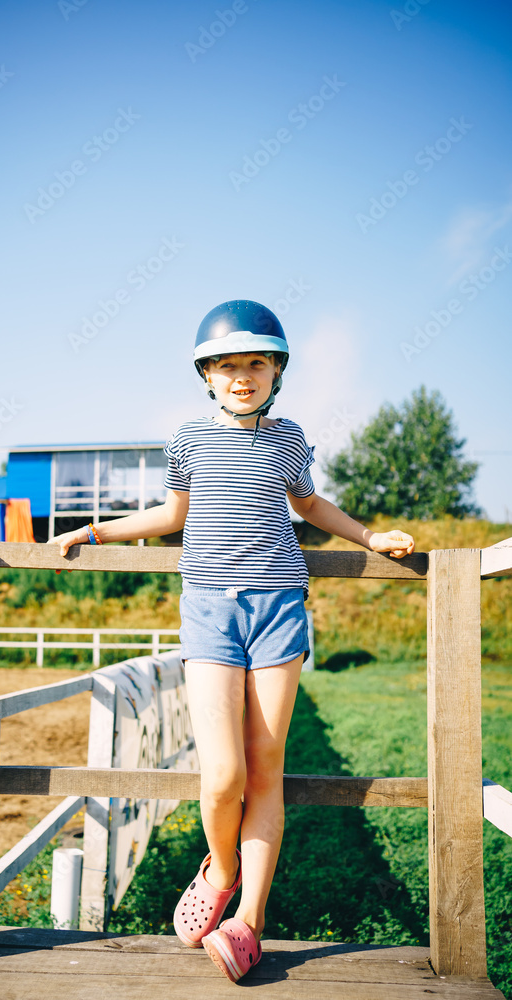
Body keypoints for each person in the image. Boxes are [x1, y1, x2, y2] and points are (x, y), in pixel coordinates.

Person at [48, 299, 415, 982]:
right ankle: (219, 868)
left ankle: (249, 921)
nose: (241, 375)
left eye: (255, 364)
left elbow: (308, 506)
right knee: (221, 777)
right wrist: (92, 529)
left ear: (276, 372)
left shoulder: (289, 438)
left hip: (278, 608)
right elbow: (172, 514)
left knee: (265, 763)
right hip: (209, 613)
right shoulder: (187, 438)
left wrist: (371, 536)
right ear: (207, 375)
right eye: (227, 365)